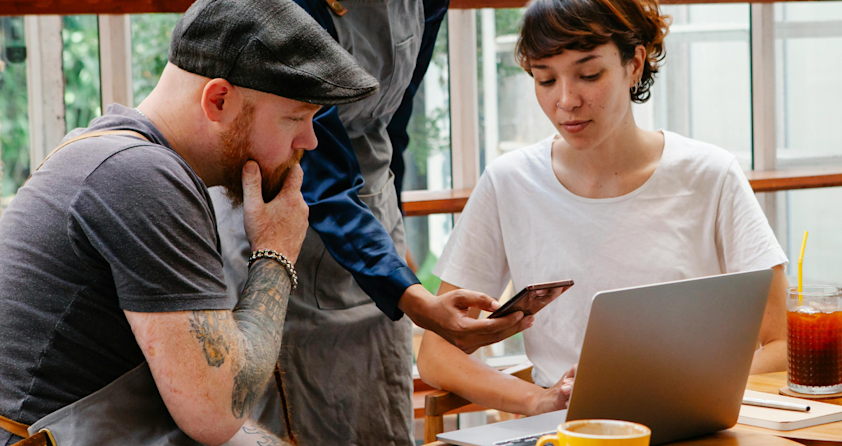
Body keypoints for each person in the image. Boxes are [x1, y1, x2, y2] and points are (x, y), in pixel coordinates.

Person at [0, 0, 514, 444]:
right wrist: (276, 254)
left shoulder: (122, 153)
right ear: (218, 100)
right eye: (297, 117)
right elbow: (217, 413)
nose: (310, 143)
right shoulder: (141, 179)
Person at [417, 0, 790, 417]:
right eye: (544, 80)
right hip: (565, 430)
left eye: (589, 75)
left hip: (687, 422)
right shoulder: (510, 181)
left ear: (634, 63)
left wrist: (686, 395)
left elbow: (782, 344)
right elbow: (436, 352)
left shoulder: (710, 175)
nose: (566, 101)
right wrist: (538, 400)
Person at [209, 0, 528, 444]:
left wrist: (390, 245)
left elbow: (394, 126)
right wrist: (411, 295)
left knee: (376, 411)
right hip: (285, 201)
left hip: (373, 225)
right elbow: (317, 165)